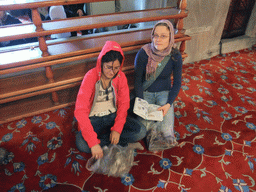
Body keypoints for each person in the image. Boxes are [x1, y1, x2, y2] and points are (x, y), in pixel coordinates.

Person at [75, 41, 146, 159]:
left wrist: (117, 130)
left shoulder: (120, 77)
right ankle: (121, 143)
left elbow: (124, 105)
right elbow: (80, 111)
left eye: (116, 68)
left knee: (141, 131)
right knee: (82, 144)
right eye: (108, 67)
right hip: (93, 119)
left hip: (113, 116)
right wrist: (93, 143)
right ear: (101, 62)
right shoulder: (90, 76)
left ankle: (108, 141)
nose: (112, 72)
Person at [134, 19, 182, 149]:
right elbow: (137, 80)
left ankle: (159, 132)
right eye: (155, 35)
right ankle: (153, 133)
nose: (158, 39)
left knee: (167, 134)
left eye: (163, 36)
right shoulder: (143, 54)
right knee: (142, 130)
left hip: (164, 94)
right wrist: (141, 102)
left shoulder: (175, 55)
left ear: (170, 38)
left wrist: (168, 104)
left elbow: (177, 82)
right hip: (146, 93)